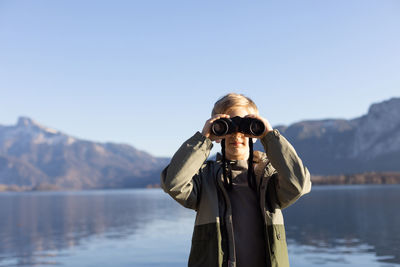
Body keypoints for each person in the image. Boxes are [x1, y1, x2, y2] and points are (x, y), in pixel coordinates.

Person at [161, 93, 311, 267]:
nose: (236, 133)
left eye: (244, 125)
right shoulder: (204, 179)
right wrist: (203, 139)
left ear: (254, 131)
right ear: (217, 131)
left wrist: (269, 136)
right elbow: (173, 183)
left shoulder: (269, 177)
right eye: (228, 125)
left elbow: (299, 185)